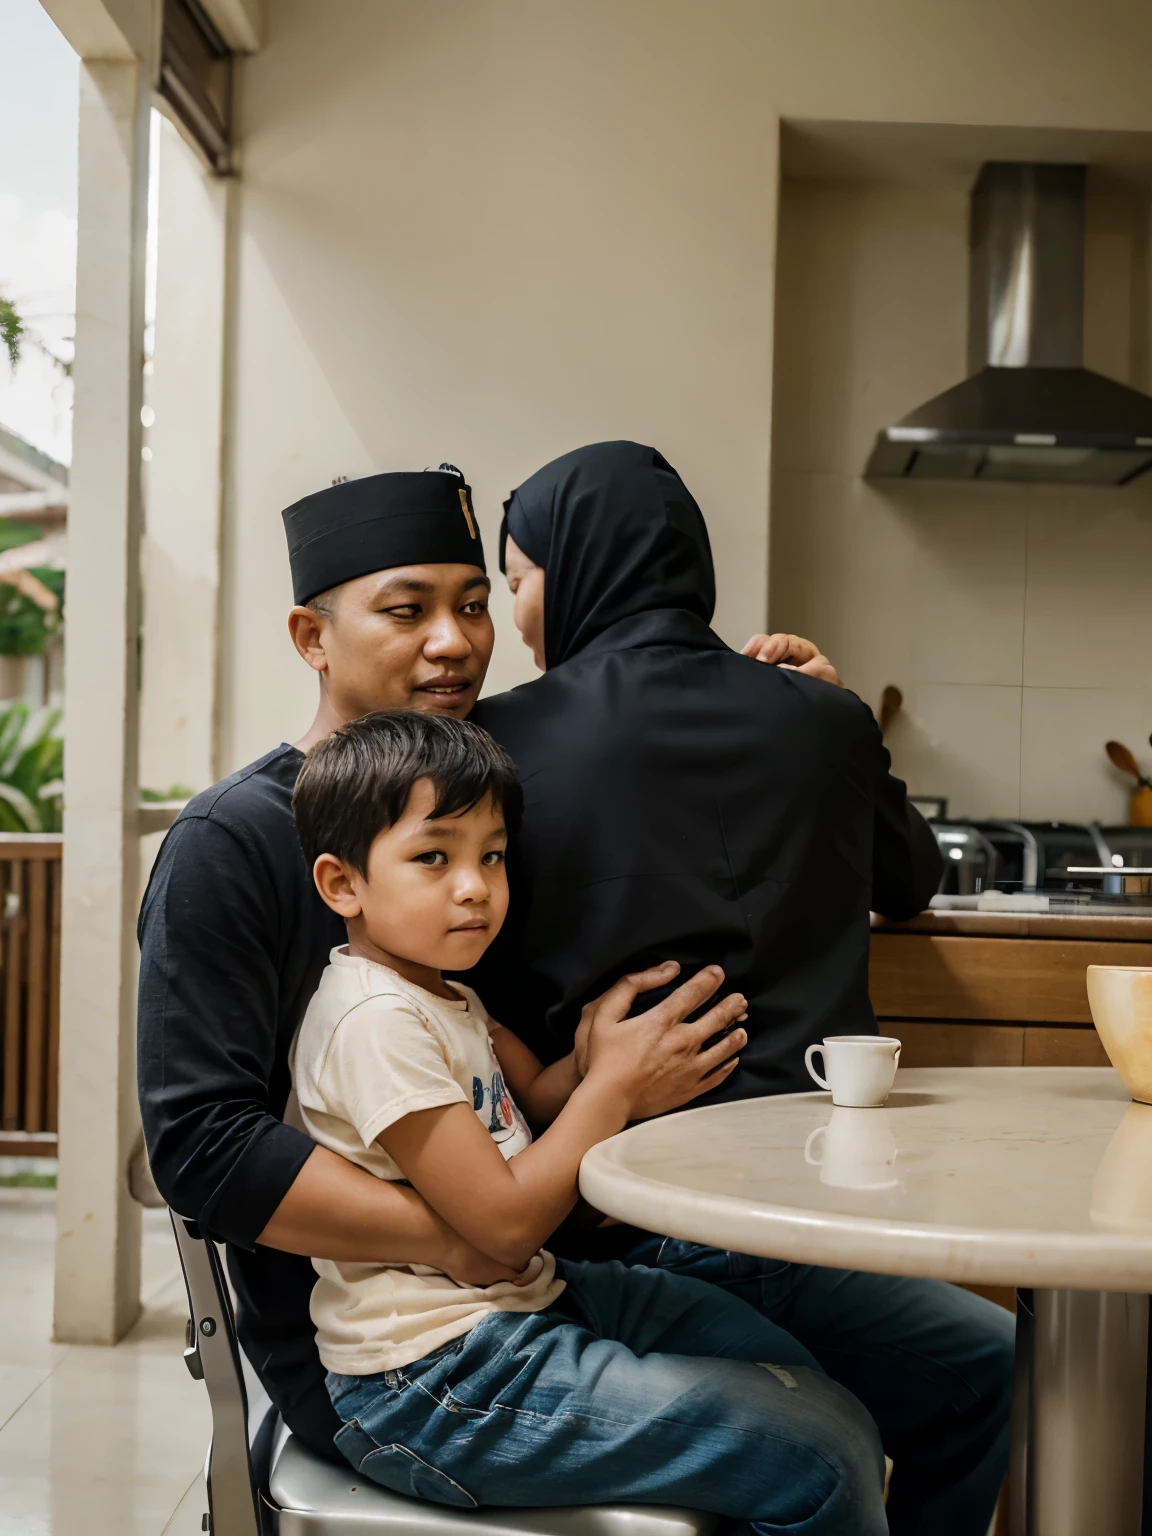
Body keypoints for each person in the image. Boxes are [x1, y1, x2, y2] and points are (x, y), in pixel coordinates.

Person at [137, 463, 818, 1460]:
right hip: (392, 1350)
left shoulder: (490, 778)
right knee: (807, 1434)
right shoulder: (231, 841)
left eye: (473, 604)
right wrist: (458, 1234)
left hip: (569, 1258)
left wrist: (800, 712)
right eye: (407, 610)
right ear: (311, 639)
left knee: (940, 1372)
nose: (455, 642)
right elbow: (200, 1146)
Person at [468, 441, 1014, 1536]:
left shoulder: (500, 749)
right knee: (996, 1372)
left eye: (518, 581)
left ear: (576, 571)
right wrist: (839, 715)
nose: (518, 619)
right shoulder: (823, 717)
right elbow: (913, 878)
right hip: (822, 1220)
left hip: (611, 1223)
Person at [288, 708, 890, 1533]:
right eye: (434, 857)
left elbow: (533, 1097)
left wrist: (595, 1051)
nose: (475, 886)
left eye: (491, 856)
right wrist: (612, 1089)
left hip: (521, 1309)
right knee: (820, 1453)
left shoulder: (445, 993)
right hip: (433, 1379)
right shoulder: (373, 1021)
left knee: (799, 1380)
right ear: (342, 883)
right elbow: (501, 1225)